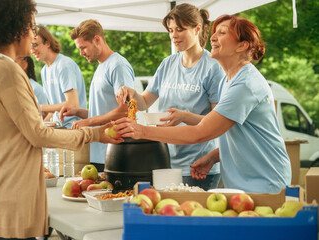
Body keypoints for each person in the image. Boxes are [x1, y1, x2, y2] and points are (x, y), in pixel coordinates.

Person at [0, 0, 121, 239]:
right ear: (15, 28)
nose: (33, 34)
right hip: (11, 191)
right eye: (31, 27)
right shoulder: (7, 70)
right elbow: (37, 134)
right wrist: (95, 134)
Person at [114, 14, 291, 193]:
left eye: (222, 33)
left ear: (242, 45)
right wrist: (214, 157)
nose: (213, 37)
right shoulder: (228, 80)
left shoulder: (245, 85)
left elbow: (201, 132)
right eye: (214, 32)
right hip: (242, 183)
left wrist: (141, 131)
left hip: (265, 181)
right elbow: (238, 134)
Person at [116, 4, 225, 191]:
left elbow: (218, 122)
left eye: (180, 30)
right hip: (164, 160)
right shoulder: (168, 63)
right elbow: (144, 102)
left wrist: (185, 117)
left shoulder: (213, 67)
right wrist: (131, 93)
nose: (173, 35)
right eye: (171, 30)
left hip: (197, 165)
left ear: (197, 29)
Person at [59, 19, 135, 171]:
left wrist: (89, 122)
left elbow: (126, 110)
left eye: (83, 47)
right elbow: (104, 112)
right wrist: (79, 112)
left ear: (97, 40)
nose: (81, 53)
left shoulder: (118, 65)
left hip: (114, 153)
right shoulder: (101, 66)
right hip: (98, 154)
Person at [31, 25, 87, 128]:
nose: (32, 50)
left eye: (35, 45)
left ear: (47, 43)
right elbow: (54, 110)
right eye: (30, 46)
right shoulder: (44, 71)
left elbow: (72, 105)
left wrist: (39, 107)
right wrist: (40, 125)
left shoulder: (64, 65)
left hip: (74, 128)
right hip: (59, 127)